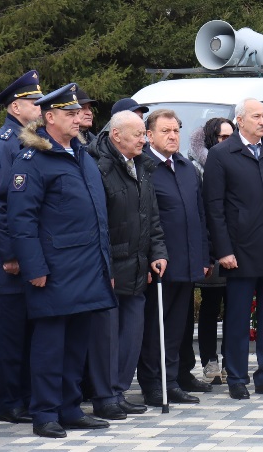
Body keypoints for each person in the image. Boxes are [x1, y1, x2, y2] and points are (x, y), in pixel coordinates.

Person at [8, 83, 117, 438]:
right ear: (49, 117)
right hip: (54, 271)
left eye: (77, 113)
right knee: (50, 346)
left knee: (76, 345)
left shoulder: (82, 156)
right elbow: (21, 221)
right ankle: (45, 413)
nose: (77, 119)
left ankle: (70, 408)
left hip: (87, 268)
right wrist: (35, 267)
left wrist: (106, 268)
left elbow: (99, 218)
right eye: (69, 114)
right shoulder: (33, 160)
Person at [202, 98, 263, 400]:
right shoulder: (222, 154)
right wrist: (223, 250)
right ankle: (236, 377)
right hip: (240, 251)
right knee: (237, 317)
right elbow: (214, 208)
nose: (262, 121)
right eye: (256, 116)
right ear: (240, 120)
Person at [86, 110, 169, 418]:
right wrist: (104, 267)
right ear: (117, 135)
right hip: (110, 268)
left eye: (144, 134)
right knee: (106, 337)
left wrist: (158, 252)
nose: (144, 140)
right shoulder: (99, 167)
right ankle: (104, 395)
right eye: (138, 135)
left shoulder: (142, 166)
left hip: (137, 265)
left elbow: (152, 217)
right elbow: (97, 224)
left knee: (131, 334)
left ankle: (118, 391)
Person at [0, 70, 43, 423]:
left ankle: (28, 395)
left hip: (34, 255)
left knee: (32, 330)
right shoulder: (2, 144)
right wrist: (14, 255)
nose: (40, 107)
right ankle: (7, 402)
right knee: (11, 331)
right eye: (35, 102)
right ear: (16, 107)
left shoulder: (32, 141)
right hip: (12, 260)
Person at [137, 109, 212, 402]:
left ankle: (172, 379)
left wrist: (204, 257)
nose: (172, 136)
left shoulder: (185, 166)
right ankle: (154, 384)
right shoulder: (144, 168)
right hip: (160, 264)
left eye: (176, 131)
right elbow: (144, 221)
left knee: (178, 329)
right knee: (156, 328)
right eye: (165, 131)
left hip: (189, 262)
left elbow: (199, 216)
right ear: (149, 135)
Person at [188, 118, 235, 386]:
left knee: (235, 306)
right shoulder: (196, 167)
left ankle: (231, 361)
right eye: (221, 137)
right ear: (210, 139)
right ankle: (209, 361)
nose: (226, 143)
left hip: (235, 245)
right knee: (210, 306)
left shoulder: (236, 161)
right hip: (210, 246)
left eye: (231, 137)